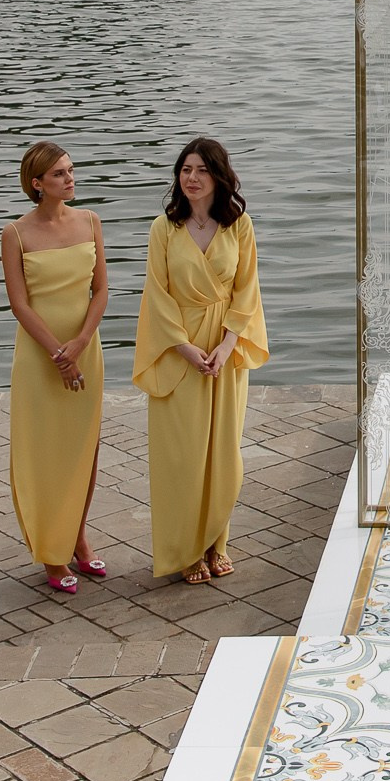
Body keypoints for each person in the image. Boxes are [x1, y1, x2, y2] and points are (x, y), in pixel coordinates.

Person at [135, 137, 267, 584]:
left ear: (218, 176)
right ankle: (186, 549)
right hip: (180, 351)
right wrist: (184, 347)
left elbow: (247, 289)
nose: (191, 178)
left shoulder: (239, 225)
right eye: (185, 170)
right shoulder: (163, 228)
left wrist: (228, 345)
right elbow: (156, 294)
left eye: (200, 170)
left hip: (225, 352)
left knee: (223, 451)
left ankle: (217, 543)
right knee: (183, 455)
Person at [0, 141, 109, 594]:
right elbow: (18, 304)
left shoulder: (90, 221)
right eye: (60, 174)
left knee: (85, 450)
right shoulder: (16, 233)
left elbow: (101, 290)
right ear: (37, 183)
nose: (70, 179)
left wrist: (81, 342)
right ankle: (51, 550)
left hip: (86, 348)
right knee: (46, 454)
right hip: (41, 358)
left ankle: (78, 538)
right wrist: (58, 355)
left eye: (71, 170)